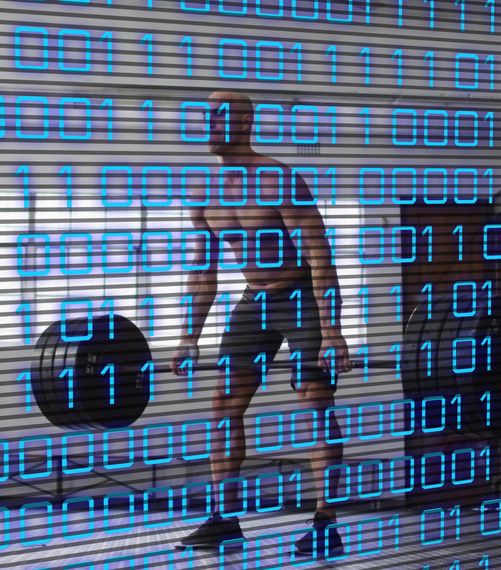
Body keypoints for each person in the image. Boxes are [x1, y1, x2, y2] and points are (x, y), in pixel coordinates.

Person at [171, 91, 353, 558]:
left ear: (244, 121)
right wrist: (189, 335)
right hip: (253, 302)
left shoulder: (277, 180)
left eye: (217, 115)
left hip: (301, 298)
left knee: (315, 402)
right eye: (204, 113)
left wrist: (332, 329)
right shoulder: (203, 195)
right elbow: (203, 273)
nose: (207, 122)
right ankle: (224, 519)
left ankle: (324, 520)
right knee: (223, 404)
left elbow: (319, 255)